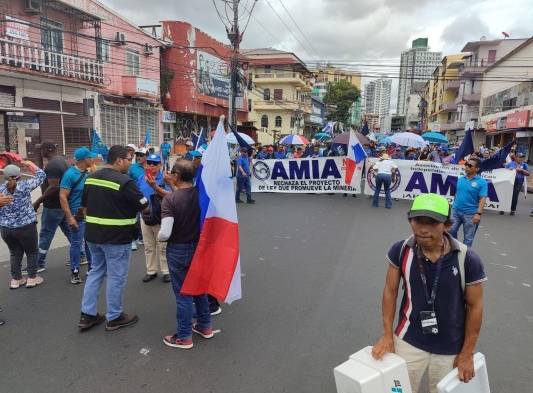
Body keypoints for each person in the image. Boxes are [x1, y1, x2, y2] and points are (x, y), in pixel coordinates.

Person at [372, 193, 486, 393]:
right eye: (417, 220)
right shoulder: (401, 250)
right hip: (408, 341)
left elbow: (475, 306)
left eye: (432, 222)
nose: (423, 229)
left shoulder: (467, 259)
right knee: (398, 390)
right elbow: (390, 292)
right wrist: (387, 335)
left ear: (447, 225)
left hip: (450, 348)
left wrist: (467, 353)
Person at [78, 145, 148, 332]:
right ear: (118, 160)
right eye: (128, 159)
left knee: (96, 272)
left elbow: (84, 207)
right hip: (117, 239)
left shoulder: (90, 178)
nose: (130, 163)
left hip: (93, 236)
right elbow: (144, 205)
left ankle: (88, 314)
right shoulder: (125, 181)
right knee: (116, 277)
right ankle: (115, 316)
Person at [158, 160, 213, 349]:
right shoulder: (201, 194)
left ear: (177, 176)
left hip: (178, 250)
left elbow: (165, 232)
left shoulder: (170, 200)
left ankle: (184, 336)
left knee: (183, 294)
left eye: (172, 171)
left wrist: (159, 238)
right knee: (200, 289)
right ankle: (205, 326)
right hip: (199, 247)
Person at [0, 162, 46, 289]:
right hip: (26, 226)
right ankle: (32, 278)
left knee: (14, 253)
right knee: (31, 252)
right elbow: (42, 175)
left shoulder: (0, 190)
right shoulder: (25, 186)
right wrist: (30, 165)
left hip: (6, 228)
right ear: (19, 176)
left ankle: (16, 279)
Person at [59, 147, 96, 284]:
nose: (93, 159)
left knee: (89, 242)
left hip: (90, 214)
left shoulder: (88, 172)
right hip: (77, 214)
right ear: (84, 159)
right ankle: (74, 271)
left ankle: (92, 268)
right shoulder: (70, 174)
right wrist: (69, 217)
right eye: (91, 157)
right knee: (76, 243)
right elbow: (62, 196)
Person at [33, 142, 70, 272]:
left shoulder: (52, 165)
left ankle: (39, 263)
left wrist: (38, 201)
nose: (39, 152)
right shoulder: (62, 161)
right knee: (70, 232)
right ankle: (81, 255)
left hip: (53, 206)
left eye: (41, 149)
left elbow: (54, 187)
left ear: (47, 150)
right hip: (63, 204)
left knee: (46, 234)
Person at [138, 153, 171, 283]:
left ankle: (166, 271)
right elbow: (137, 194)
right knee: (148, 246)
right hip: (145, 216)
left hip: (161, 216)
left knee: (162, 246)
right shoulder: (142, 178)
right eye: (149, 163)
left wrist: (155, 187)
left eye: (155, 163)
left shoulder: (165, 178)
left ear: (160, 165)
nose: (152, 165)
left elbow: (170, 195)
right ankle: (151, 271)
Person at [449, 157, 486, 247]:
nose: (466, 166)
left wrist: (478, 214)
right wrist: (454, 206)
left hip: (471, 214)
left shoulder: (482, 182)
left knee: (468, 239)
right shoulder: (461, 179)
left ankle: (464, 258)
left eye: (470, 165)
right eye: (466, 164)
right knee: (450, 231)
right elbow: (457, 194)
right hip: (456, 211)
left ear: (477, 169)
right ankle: (454, 250)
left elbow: (482, 199)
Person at [128, 147, 147, 251]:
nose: (138, 157)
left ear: (146, 157)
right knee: (133, 220)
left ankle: (142, 237)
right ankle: (132, 240)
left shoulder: (151, 166)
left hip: (147, 198)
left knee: (145, 219)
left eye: (141, 155)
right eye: (137, 155)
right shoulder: (132, 168)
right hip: (134, 197)